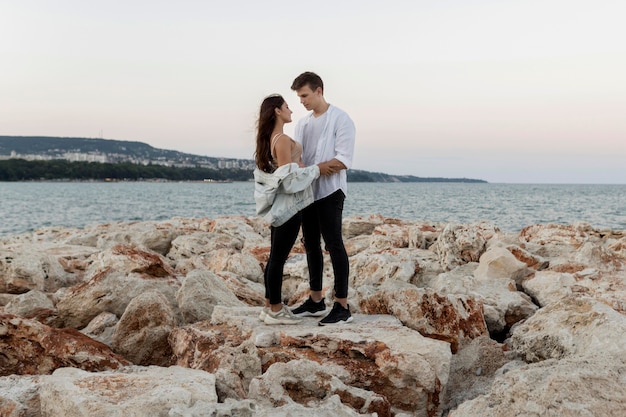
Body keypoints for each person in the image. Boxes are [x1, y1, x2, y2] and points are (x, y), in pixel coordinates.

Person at [289, 72, 356, 326]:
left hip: (331, 191)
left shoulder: (341, 119)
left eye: (304, 95)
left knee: (334, 244)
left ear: (318, 91)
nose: (301, 101)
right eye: (298, 97)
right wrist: (304, 170)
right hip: (308, 192)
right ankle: (316, 301)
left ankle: (341, 306)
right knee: (311, 244)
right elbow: (298, 159)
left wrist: (313, 169)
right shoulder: (302, 124)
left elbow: (342, 161)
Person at [253, 94, 323, 325]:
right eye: (286, 106)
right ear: (277, 111)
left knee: (275, 256)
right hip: (289, 206)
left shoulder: (273, 138)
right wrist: (314, 170)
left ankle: (268, 306)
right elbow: (288, 178)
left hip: (284, 206)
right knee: (278, 258)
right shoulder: (281, 139)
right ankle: (275, 309)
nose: (291, 110)